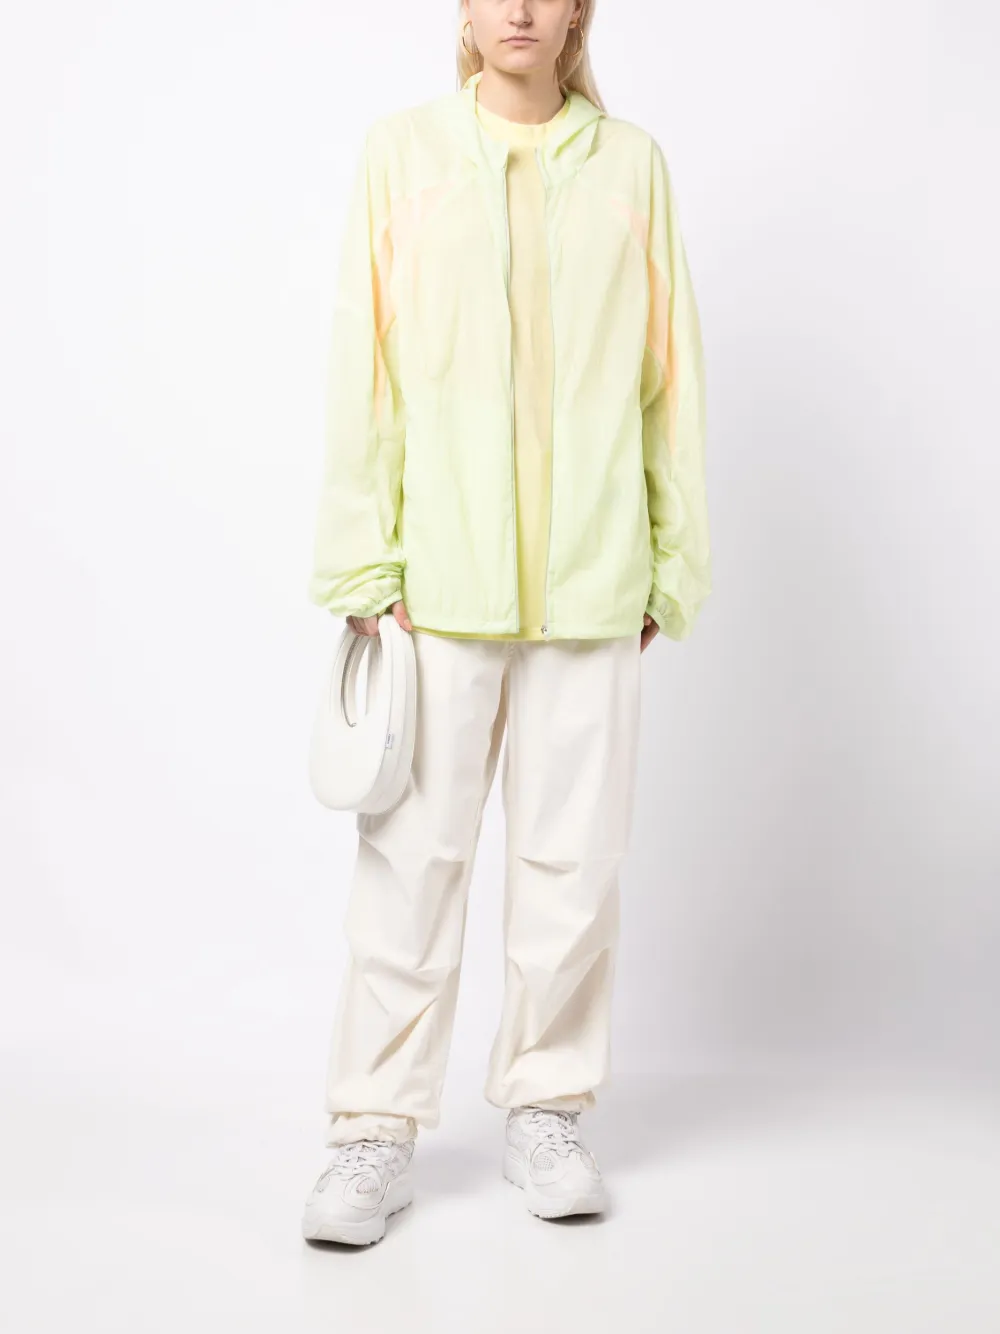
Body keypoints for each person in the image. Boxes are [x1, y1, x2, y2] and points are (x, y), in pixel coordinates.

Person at [301, 0, 710, 1246]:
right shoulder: (401, 153)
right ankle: (373, 1128)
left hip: (593, 576)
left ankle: (548, 1109)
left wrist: (669, 561)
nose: (519, 10)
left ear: (579, 9)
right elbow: (363, 365)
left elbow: (671, 375)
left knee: (572, 868)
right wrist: (364, 556)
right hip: (440, 581)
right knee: (409, 863)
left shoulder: (632, 164)